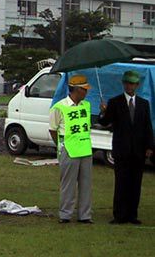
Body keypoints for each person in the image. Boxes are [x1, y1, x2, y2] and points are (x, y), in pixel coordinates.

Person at [99, 70, 154, 225]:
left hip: (138, 150)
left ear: (137, 85)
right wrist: (103, 112)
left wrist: (150, 146)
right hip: (121, 149)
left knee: (135, 183)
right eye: (127, 83)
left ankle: (132, 215)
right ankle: (119, 215)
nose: (129, 86)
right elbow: (105, 122)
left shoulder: (144, 104)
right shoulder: (115, 102)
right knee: (121, 183)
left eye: (132, 83)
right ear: (123, 84)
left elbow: (147, 126)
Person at [48, 74, 93, 224]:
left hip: (85, 149)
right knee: (68, 184)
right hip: (69, 149)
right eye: (84, 89)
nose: (86, 92)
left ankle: (85, 215)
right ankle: (65, 214)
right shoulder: (59, 107)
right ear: (76, 90)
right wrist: (61, 146)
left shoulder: (86, 105)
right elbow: (53, 129)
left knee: (86, 184)